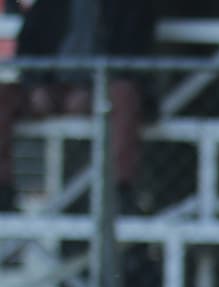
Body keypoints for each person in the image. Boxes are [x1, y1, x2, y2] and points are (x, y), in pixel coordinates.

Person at [0, 0, 157, 213]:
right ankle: (3, 189)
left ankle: (121, 193)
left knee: (124, 94)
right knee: (4, 95)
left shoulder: (129, 6)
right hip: (52, 88)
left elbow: (131, 56)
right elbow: (27, 46)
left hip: (101, 90)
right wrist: (36, 84)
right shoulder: (50, 4)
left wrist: (93, 86)